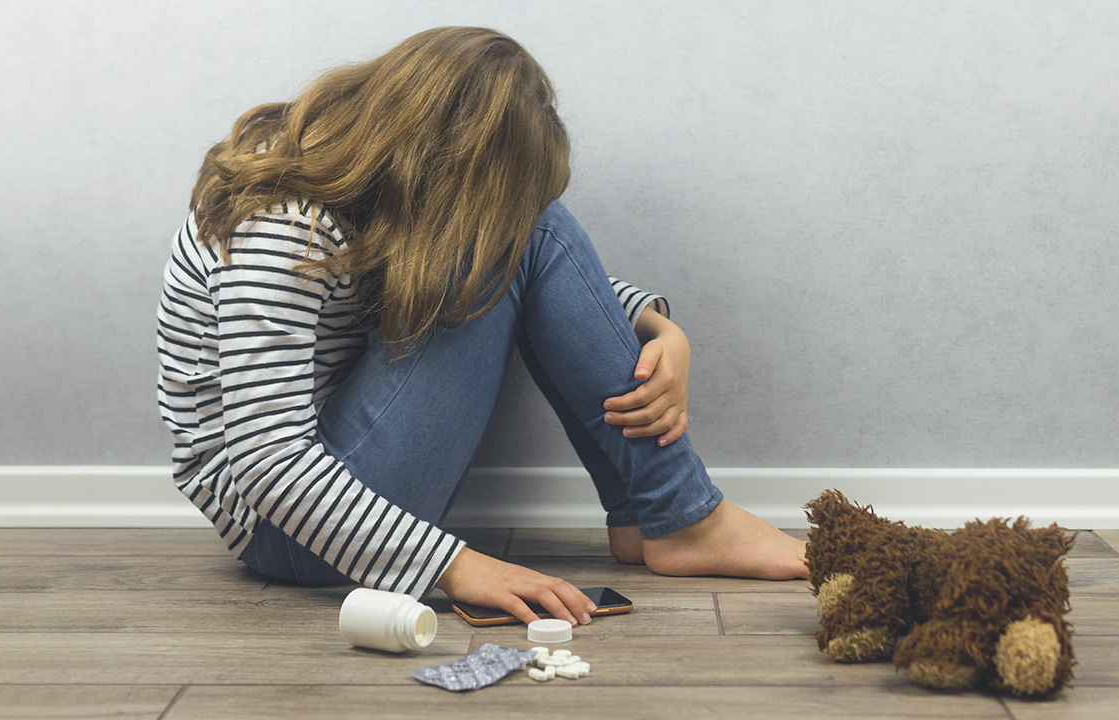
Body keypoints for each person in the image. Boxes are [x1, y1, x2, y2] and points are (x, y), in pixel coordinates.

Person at [156, 26, 807, 628]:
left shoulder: (358, 176)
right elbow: (270, 461)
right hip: (289, 533)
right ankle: (678, 513)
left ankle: (658, 514)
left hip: (345, 498)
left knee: (532, 227)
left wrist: (659, 329)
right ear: (427, 159)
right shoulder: (280, 223)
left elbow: (518, 267)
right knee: (535, 228)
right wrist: (463, 567)